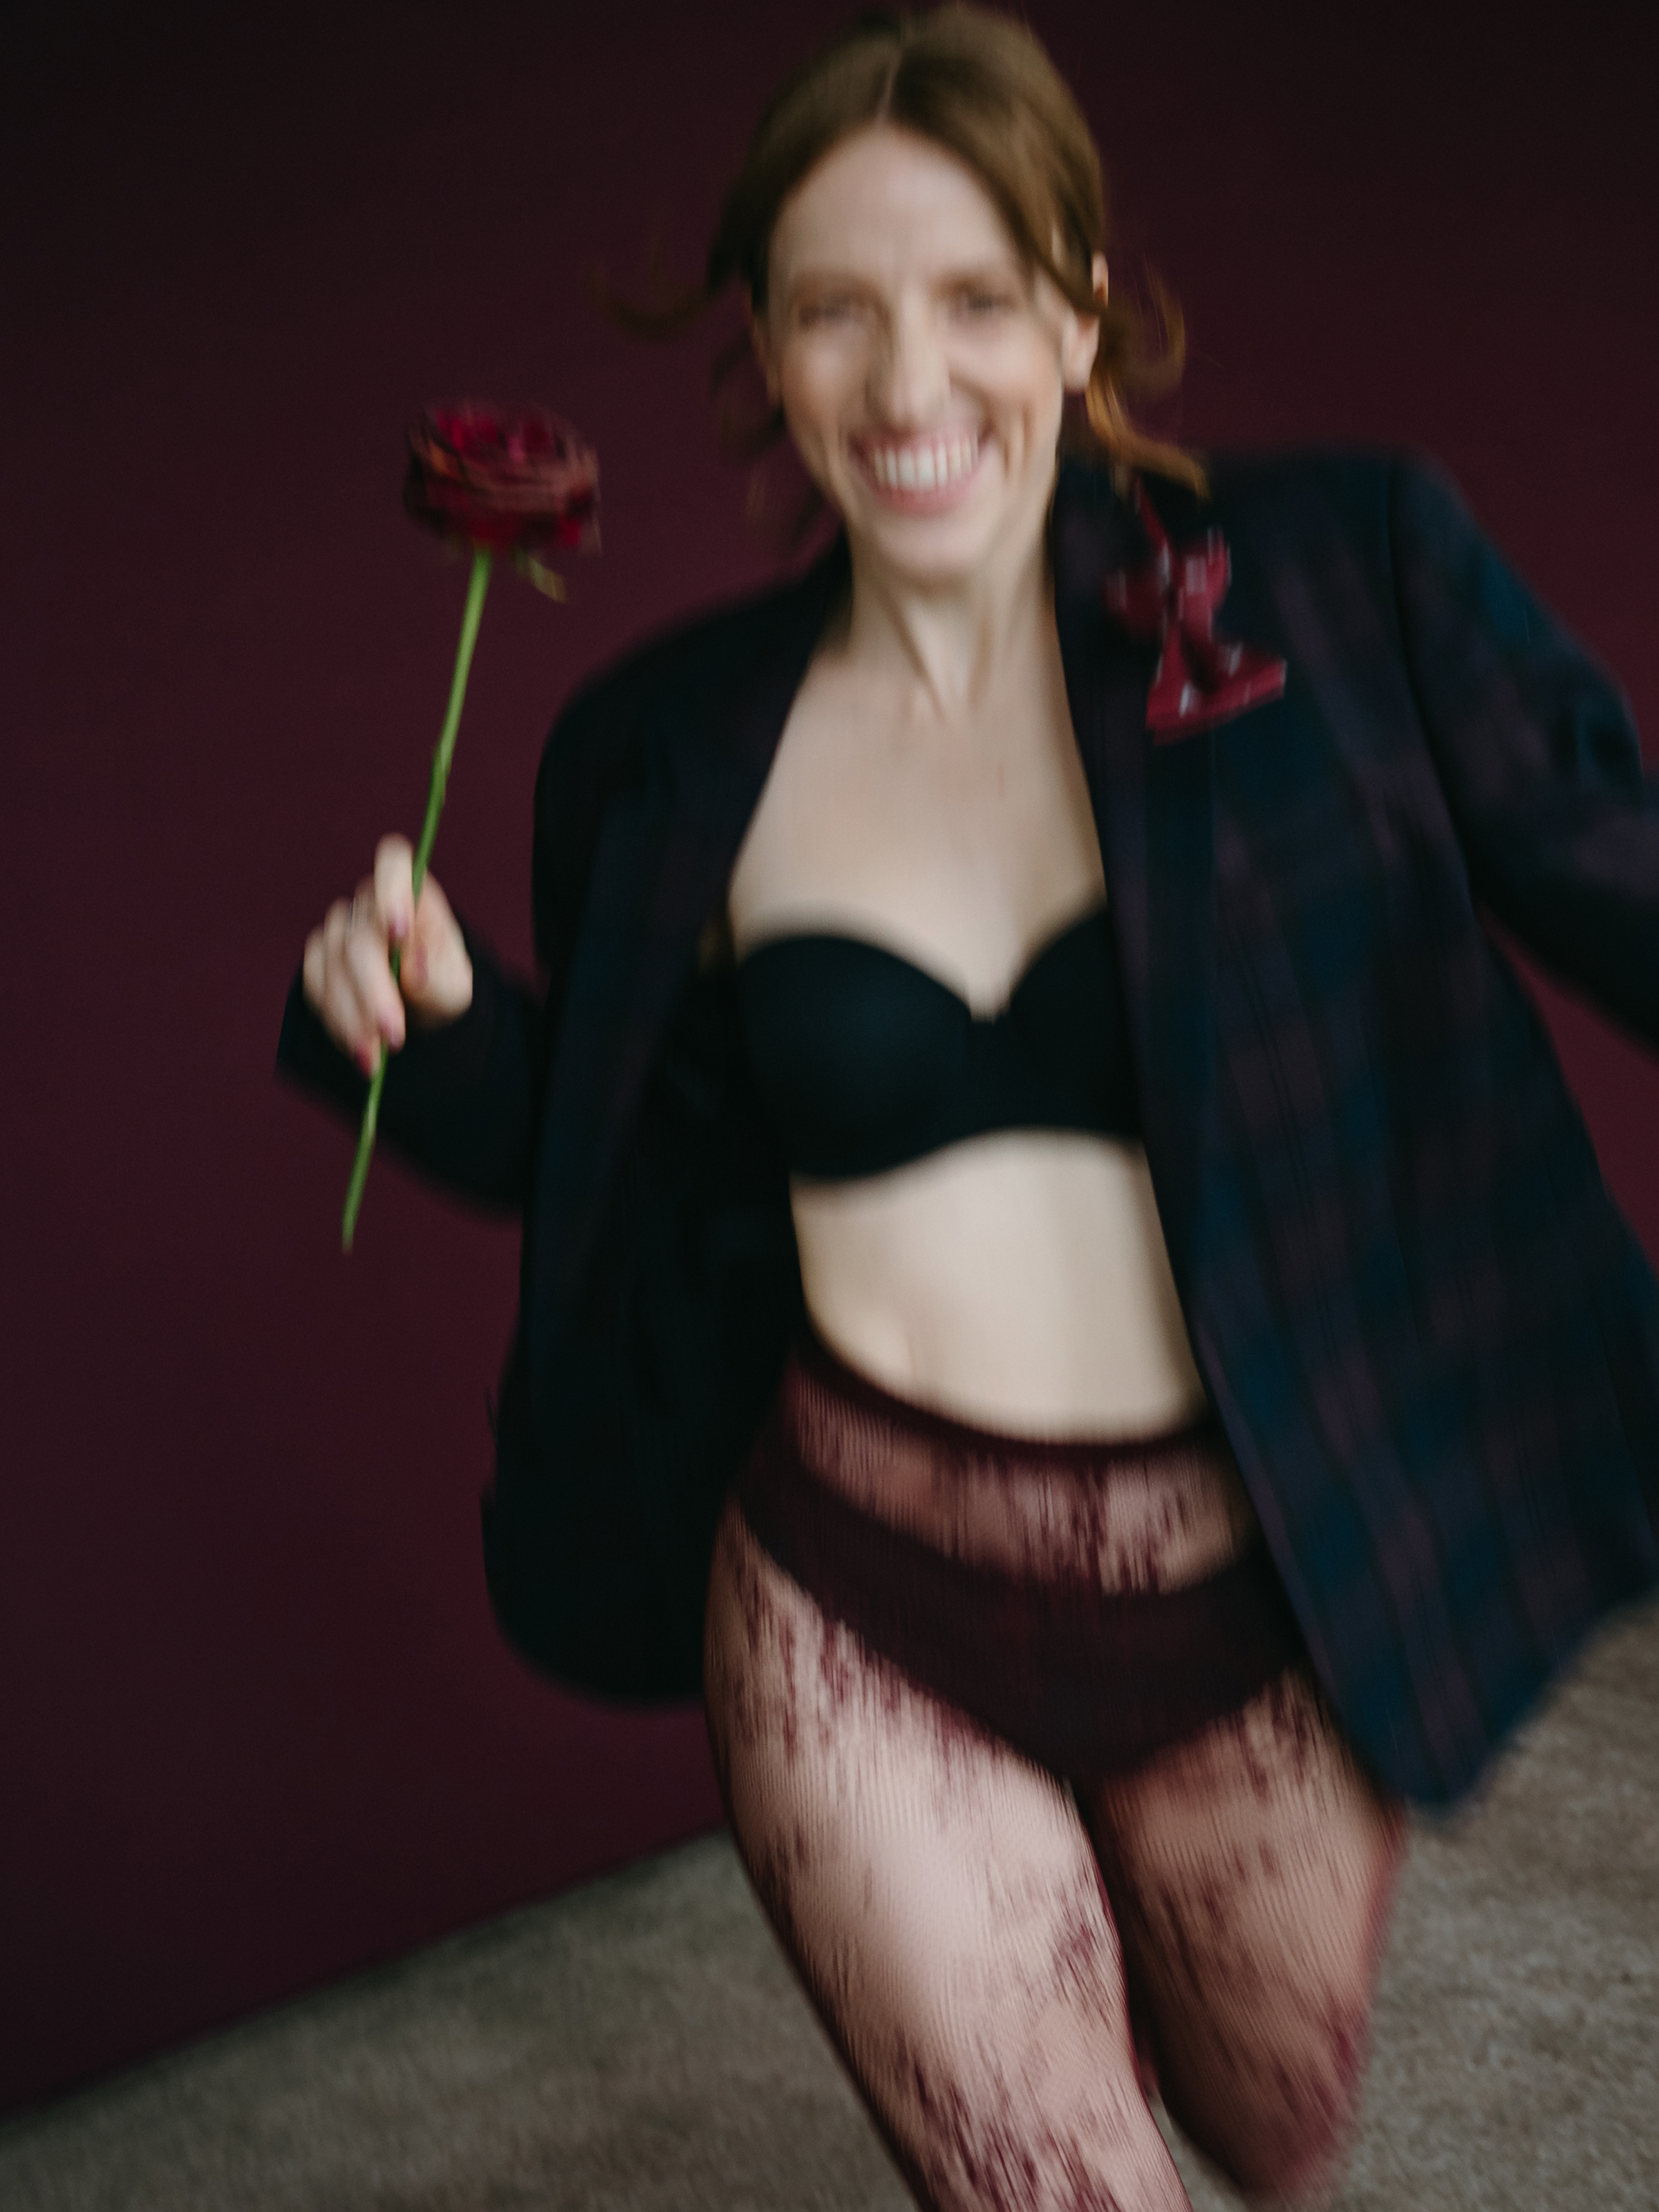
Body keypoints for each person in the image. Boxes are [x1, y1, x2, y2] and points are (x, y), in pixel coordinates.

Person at [277, 8, 1659, 2205]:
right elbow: (644, 1172)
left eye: (976, 299)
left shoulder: (1340, 565)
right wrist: (426, 1036)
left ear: (1080, 312)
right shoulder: (663, 746)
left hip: (1266, 1591)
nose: (909, 381)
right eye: (838, 311)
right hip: (860, 1597)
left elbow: (1621, 877)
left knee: (1273, 2128)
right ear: (767, 345)